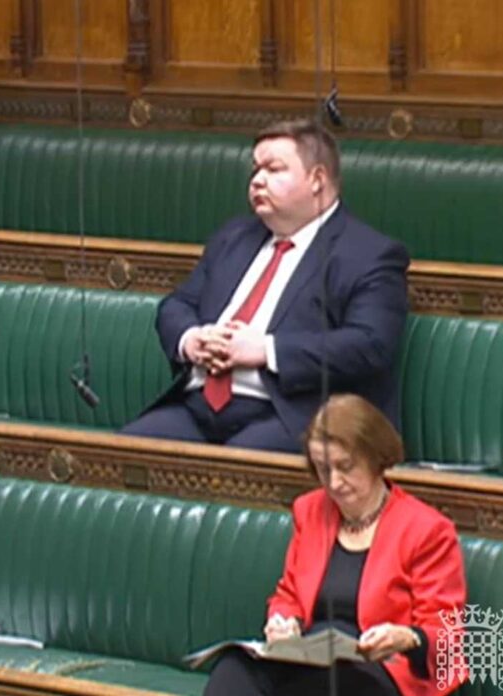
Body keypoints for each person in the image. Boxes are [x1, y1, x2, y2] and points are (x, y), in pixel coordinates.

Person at [122, 119, 409, 453]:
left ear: (317, 179)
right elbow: (178, 304)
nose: (257, 181)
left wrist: (266, 350)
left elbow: (370, 345)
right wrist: (192, 339)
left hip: (295, 415)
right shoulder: (235, 237)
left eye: (274, 169)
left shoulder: (368, 254)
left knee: (236, 470)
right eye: (255, 169)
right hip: (197, 406)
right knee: (120, 459)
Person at [203, 394, 467, 696]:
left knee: (332, 684)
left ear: (375, 457)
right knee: (234, 668)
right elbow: (288, 594)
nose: (335, 482)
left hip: (378, 672)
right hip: (310, 659)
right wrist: (283, 621)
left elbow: (447, 635)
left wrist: (406, 637)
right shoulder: (310, 510)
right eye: (323, 469)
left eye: (345, 466)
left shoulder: (427, 530)